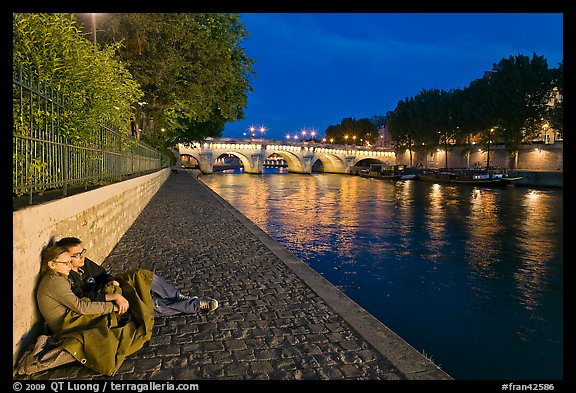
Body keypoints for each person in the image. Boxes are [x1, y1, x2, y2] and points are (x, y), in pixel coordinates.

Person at [55, 237, 218, 317]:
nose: (82, 257)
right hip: (106, 300)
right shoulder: (66, 278)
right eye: (77, 255)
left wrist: (110, 280)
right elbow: (83, 299)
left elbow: (103, 274)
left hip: (113, 288)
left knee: (142, 276)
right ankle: (195, 305)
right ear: (66, 257)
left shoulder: (85, 263)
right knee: (150, 305)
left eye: (83, 252)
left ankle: (178, 297)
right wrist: (112, 295)